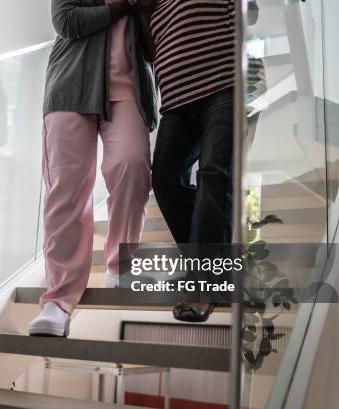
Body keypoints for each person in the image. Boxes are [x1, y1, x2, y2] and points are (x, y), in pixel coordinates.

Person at [29, 0, 159, 337]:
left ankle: (122, 266)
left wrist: (143, 12)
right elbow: (67, 22)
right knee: (67, 190)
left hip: (129, 90)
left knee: (133, 166)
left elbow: (155, 47)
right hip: (71, 86)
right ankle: (58, 300)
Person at [149, 0, 236, 322]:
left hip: (224, 88)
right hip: (176, 103)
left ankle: (202, 283)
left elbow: (247, 19)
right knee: (164, 180)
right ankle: (212, 268)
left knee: (214, 173)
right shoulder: (154, 5)